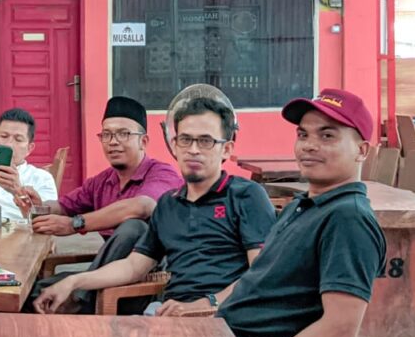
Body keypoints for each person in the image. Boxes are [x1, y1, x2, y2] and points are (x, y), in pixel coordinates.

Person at [216, 89, 386, 337]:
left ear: (361, 150)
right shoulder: (303, 205)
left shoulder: (348, 219)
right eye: (303, 134)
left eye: (327, 135)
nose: (309, 145)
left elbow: (340, 328)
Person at [34, 89, 276, 315]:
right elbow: (133, 267)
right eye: (185, 140)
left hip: (227, 317)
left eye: (205, 141)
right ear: (174, 145)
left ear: (227, 149)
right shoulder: (169, 205)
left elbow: (262, 273)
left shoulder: (246, 195)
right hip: (171, 315)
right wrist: (74, 281)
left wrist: (205, 304)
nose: (193, 150)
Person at [19, 96, 183, 306]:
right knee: (25, 295)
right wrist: (38, 204)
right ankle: (79, 299)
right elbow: (63, 206)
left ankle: (80, 301)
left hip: (146, 284)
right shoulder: (103, 181)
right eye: (107, 134)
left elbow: (142, 206)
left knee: (134, 228)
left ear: (143, 142)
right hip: (101, 278)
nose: (113, 141)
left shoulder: (162, 174)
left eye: (123, 134)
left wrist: (74, 224)